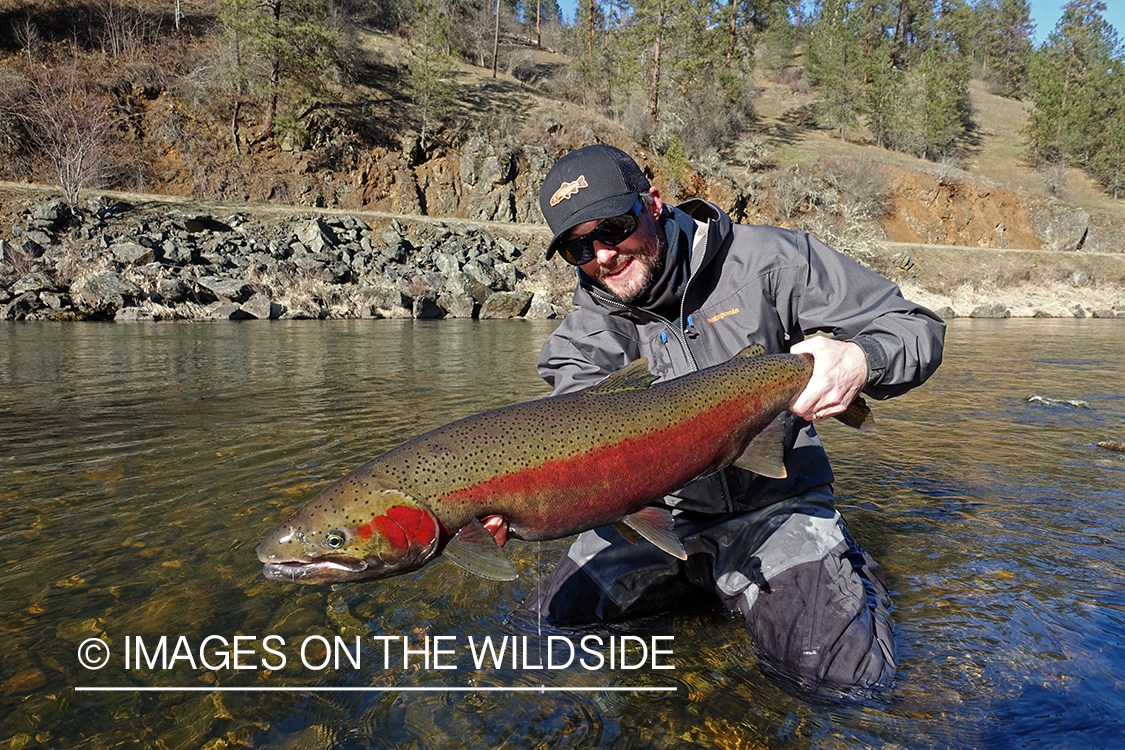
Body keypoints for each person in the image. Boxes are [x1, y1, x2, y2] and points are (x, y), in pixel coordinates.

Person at [521, 144, 945, 700]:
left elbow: (914, 327)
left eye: (615, 227)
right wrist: (522, 509)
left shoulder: (774, 261)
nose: (602, 254)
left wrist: (863, 360)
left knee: (842, 684)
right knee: (539, 640)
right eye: (578, 246)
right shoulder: (577, 344)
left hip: (775, 507)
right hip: (654, 519)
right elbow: (585, 462)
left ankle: (849, 572)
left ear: (651, 202)